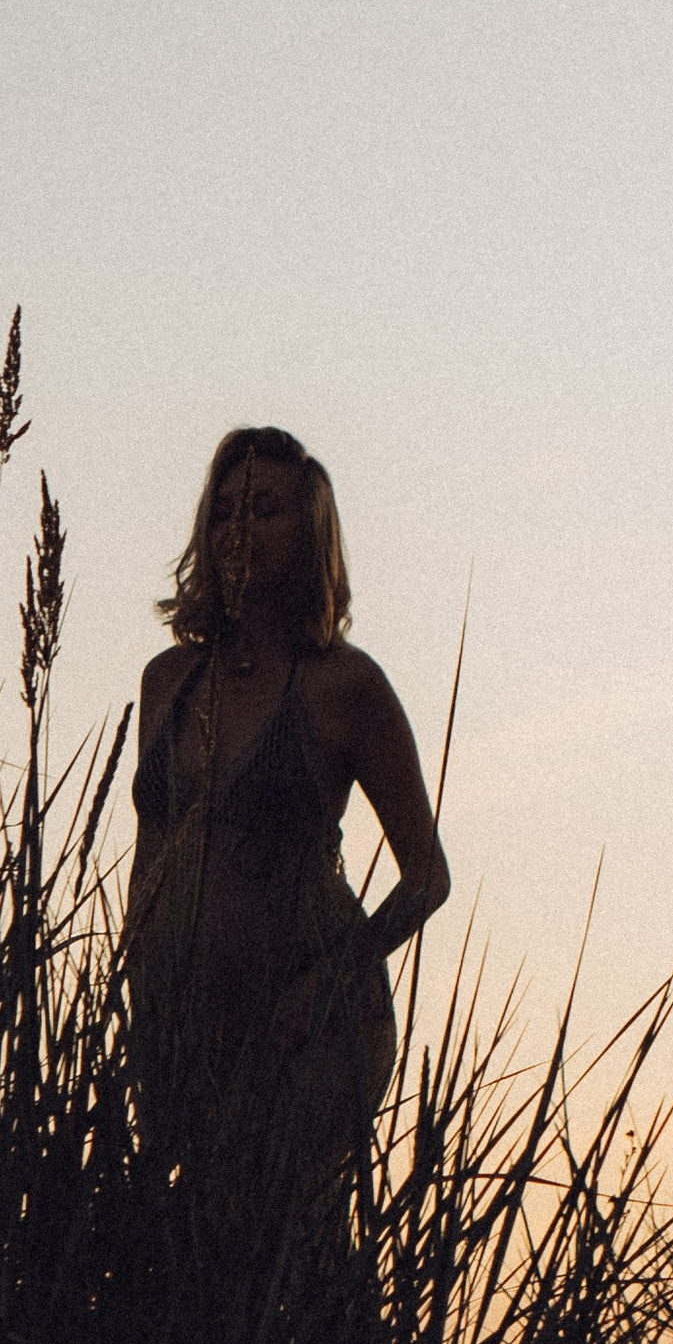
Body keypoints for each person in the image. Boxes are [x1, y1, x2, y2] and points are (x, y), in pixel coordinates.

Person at [126, 428, 451, 1223]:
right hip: (189, 1018)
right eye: (225, 511)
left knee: (287, 1250)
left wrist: (331, 979)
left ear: (309, 533)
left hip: (306, 1020)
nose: (240, 529)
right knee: (195, 1263)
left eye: (266, 510)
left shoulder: (346, 684)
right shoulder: (167, 681)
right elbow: (152, 859)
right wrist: (142, 1000)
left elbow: (427, 877)